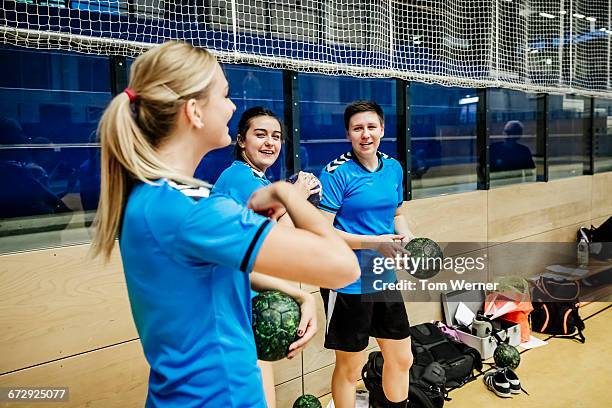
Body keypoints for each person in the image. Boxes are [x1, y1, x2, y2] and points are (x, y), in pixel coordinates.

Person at [90, 40, 360, 408]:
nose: (232, 105)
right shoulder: (192, 209)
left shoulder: (150, 196)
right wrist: (288, 193)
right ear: (194, 112)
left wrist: (297, 294)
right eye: (225, 94)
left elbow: (207, 273)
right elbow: (342, 267)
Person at [212, 106, 321, 408]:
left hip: (245, 306)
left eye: (276, 136)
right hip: (227, 308)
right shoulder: (241, 179)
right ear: (241, 141)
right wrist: (295, 193)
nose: (270, 142)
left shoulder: (260, 183)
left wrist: (294, 198)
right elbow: (289, 243)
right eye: (260, 135)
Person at [318, 101, 414, 408]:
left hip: (383, 278)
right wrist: (374, 243)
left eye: (371, 127)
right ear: (348, 133)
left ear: (382, 130)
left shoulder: (394, 168)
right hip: (347, 283)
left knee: (402, 358)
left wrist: (408, 236)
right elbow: (324, 231)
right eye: (358, 128)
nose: (365, 134)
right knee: (350, 368)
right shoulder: (335, 173)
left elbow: (398, 214)